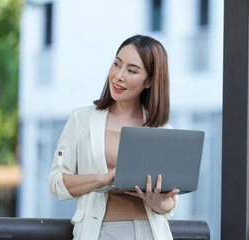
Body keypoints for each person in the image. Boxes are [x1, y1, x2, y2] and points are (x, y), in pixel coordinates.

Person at [47, 35, 179, 240]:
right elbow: (56, 182)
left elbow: (169, 206)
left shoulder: (161, 129)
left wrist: (155, 200)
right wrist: (104, 178)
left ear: (150, 81)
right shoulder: (81, 119)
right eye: (117, 64)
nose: (118, 75)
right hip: (100, 231)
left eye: (132, 70)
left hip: (151, 233)